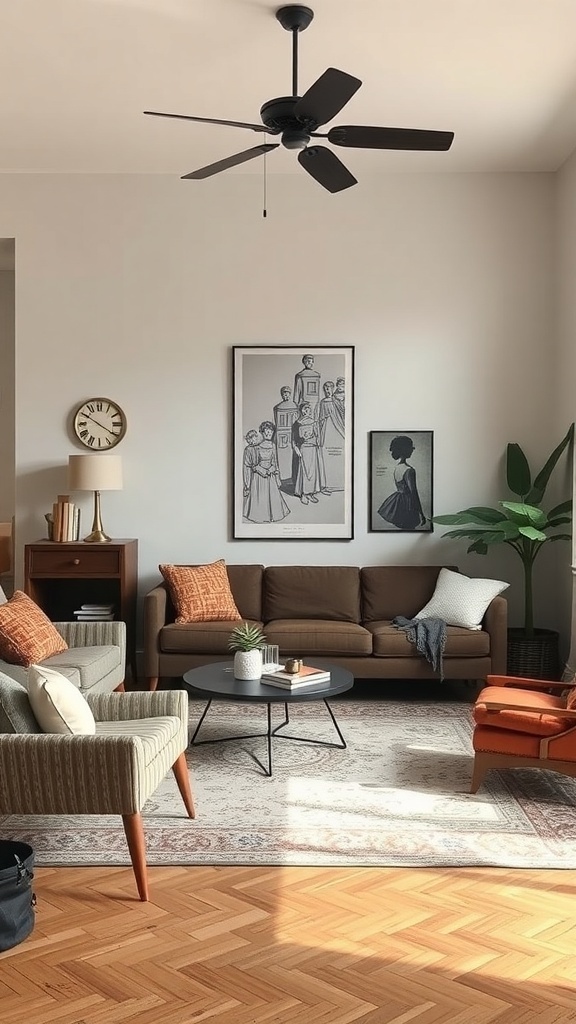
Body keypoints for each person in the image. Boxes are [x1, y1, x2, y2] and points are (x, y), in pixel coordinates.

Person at [243, 421, 290, 523]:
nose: (268, 434)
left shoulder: (273, 445)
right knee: (260, 497)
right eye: (266, 432)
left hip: (270, 474)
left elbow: (275, 461)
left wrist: (273, 471)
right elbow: (253, 465)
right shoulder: (256, 447)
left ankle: (272, 515)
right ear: (262, 433)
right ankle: (259, 515)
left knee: (272, 497)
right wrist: (263, 471)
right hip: (259, 476)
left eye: (270, 432)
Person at [377, 435, 426, 530]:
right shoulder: (409, 470)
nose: (412, 450)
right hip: (408, 505)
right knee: (410, 529)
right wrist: (422, 514)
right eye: (410, 448)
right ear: (405, 449)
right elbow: (414, 493)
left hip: (398, 503)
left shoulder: (397, 468)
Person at [292, 401, 326, 504]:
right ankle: (303, 494)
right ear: (300, 410)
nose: (307, 411)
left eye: (308, 409)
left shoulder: (313, 422)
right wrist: (296, 449)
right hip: (303, 449)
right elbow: (293, 441)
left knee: (312, 472)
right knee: (304, 472)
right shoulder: (297, 424)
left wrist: (315, 440)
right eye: (304, 409)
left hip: (313, 449)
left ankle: (311, 493)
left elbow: (318, 437)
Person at [317, 380, 344, 493]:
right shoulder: (323, 402)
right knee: (326, 457)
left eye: (329, 388)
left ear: (333, 389)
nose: (327, 391)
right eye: (325, 389)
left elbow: (342, 414)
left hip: (337, 430)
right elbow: (321, 418)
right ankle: (327, 484)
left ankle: (340, 484)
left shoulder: (336, 401)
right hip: (326, 431)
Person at [272, 385, 298, 484]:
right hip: (281, 435)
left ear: (290, 394)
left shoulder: (295, 406)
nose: (286, 395)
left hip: (292, 434)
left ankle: (293, 479)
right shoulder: (277, 407)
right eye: (284, 393)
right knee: (282, 458)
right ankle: (283, 479)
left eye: (287, 393)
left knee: (292, 458)